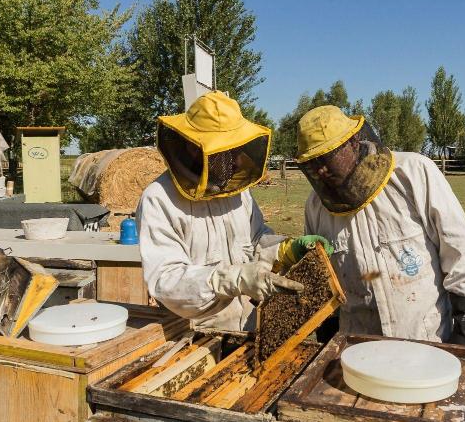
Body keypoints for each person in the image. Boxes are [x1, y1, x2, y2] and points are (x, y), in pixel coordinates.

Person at [294, 105, 465, 346]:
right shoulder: (316, 206)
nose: (321, 170)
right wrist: (327, 334)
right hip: (358, 346)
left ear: (353, 142)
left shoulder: (414, 172)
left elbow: (460, 249)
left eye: (326, 157)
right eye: (313, 162)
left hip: (426, 341)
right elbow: (323, 278)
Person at [137, 91, 329, 331]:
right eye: (228, 153)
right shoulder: (159, 199)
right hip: (194, 333)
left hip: (248, 325)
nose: (238, 161)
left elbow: (255, 239)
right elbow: (166, 280)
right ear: (196, 149)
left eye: (239, 150)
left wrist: (284, 250)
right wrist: (232, 279)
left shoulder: (235, 190)